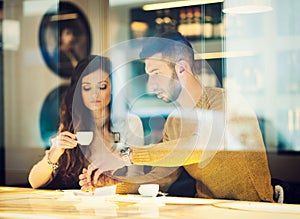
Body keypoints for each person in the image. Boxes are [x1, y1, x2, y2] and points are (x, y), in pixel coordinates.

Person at [79, 31, 275, 202]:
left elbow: (199, 146)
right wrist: (114, 184)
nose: (150, 85)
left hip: (253, 209)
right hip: (206, 210)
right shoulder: (174, 121)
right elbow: (164, 177)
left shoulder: (226, 102)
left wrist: (126, 155)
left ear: (181, 69)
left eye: (155, 73)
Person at [28, 55, 144, 189]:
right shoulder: (72, 122)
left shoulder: (130, 123)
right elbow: (34, 182)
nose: (95, 94)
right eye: (87, 88)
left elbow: (137, 179)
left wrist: (108, 185)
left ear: (112, 89)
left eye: (102, 87)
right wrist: (55, 153)